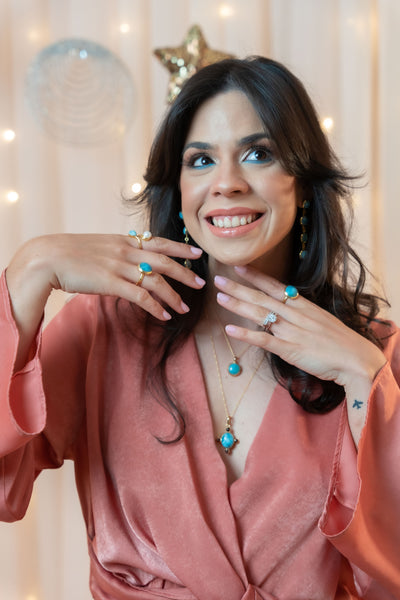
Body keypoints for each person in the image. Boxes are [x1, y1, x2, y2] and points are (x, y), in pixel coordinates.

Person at [0, 56, 399, 600]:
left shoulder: (376, 354)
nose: (227, 184)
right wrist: (29, 270)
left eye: (259, 154)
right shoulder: (104, 328)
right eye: (200, 160)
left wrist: (363, 377)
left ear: (302, 184)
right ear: (178, 189)